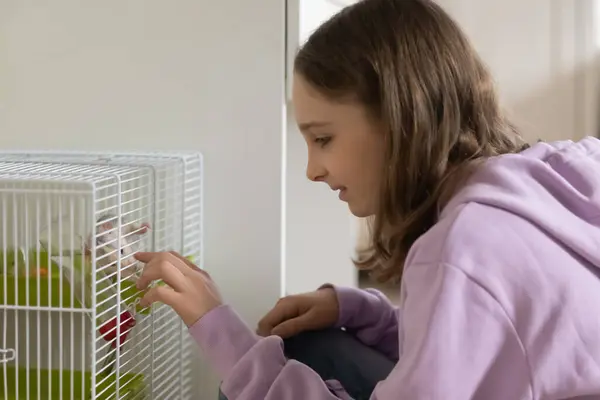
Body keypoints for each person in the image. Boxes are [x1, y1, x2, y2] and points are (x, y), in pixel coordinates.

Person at [133, 0, 600, 398]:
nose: (312, 170)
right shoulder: (548, 178)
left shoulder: (463, 247)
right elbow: (489, 346)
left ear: (400, 118)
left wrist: (220, 331)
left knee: (283, 360)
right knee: (318, 340)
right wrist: (361, 312)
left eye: (324, 139)